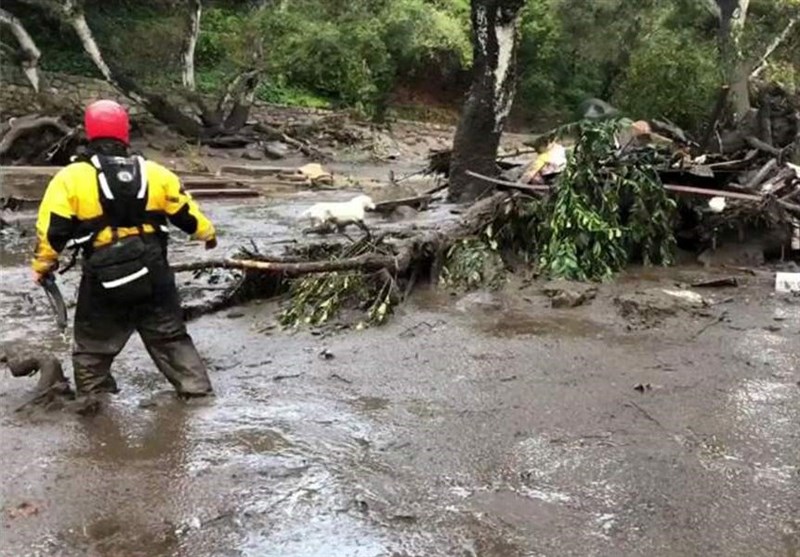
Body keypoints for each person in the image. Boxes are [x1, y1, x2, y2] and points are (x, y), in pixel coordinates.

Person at [32, 99, 217, 398]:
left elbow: (52, 231)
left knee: (92, 347)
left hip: (104, 274)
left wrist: (43, 266)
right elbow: (187, 214)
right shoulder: (157, 174)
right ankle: (197, 393)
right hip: (153, 270)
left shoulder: (70, 178)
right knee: (170, 336)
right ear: (125, 134)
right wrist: (208, 235)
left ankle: (95, 402)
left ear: (89, 133)